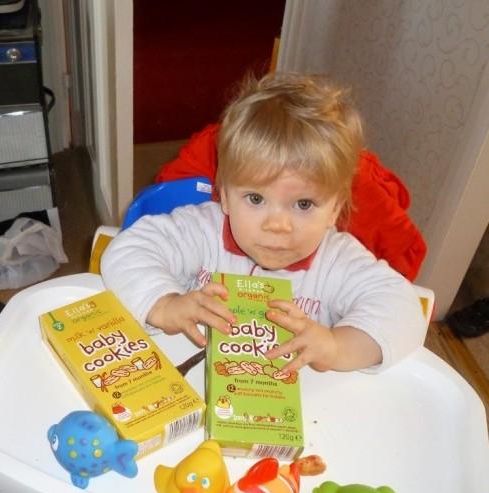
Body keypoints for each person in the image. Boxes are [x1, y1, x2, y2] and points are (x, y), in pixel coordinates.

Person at [102, 73, 427, 374]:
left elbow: (403, 309)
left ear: (334, 210)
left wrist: (335, 346)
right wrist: (165, 304)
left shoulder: (338, 262)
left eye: (303, 204)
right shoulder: (201, 230)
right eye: (256, 199)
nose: (278, 225)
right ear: (225, 195)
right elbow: (128, 250)